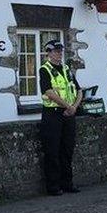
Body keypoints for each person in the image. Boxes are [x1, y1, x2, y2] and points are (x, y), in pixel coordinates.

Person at [39, 40, 82, 196]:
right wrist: (67, 106)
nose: (59, 54)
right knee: (52, 151)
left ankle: (67, 183)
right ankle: (53, 186)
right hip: (53, 114)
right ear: (49, 53)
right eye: (56, 51)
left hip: (69, 114)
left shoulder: (66, 69)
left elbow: (79, 90)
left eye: (60, 51)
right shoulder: (45, 70)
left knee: (67, 149)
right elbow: (49, 92)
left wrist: (74, 107)